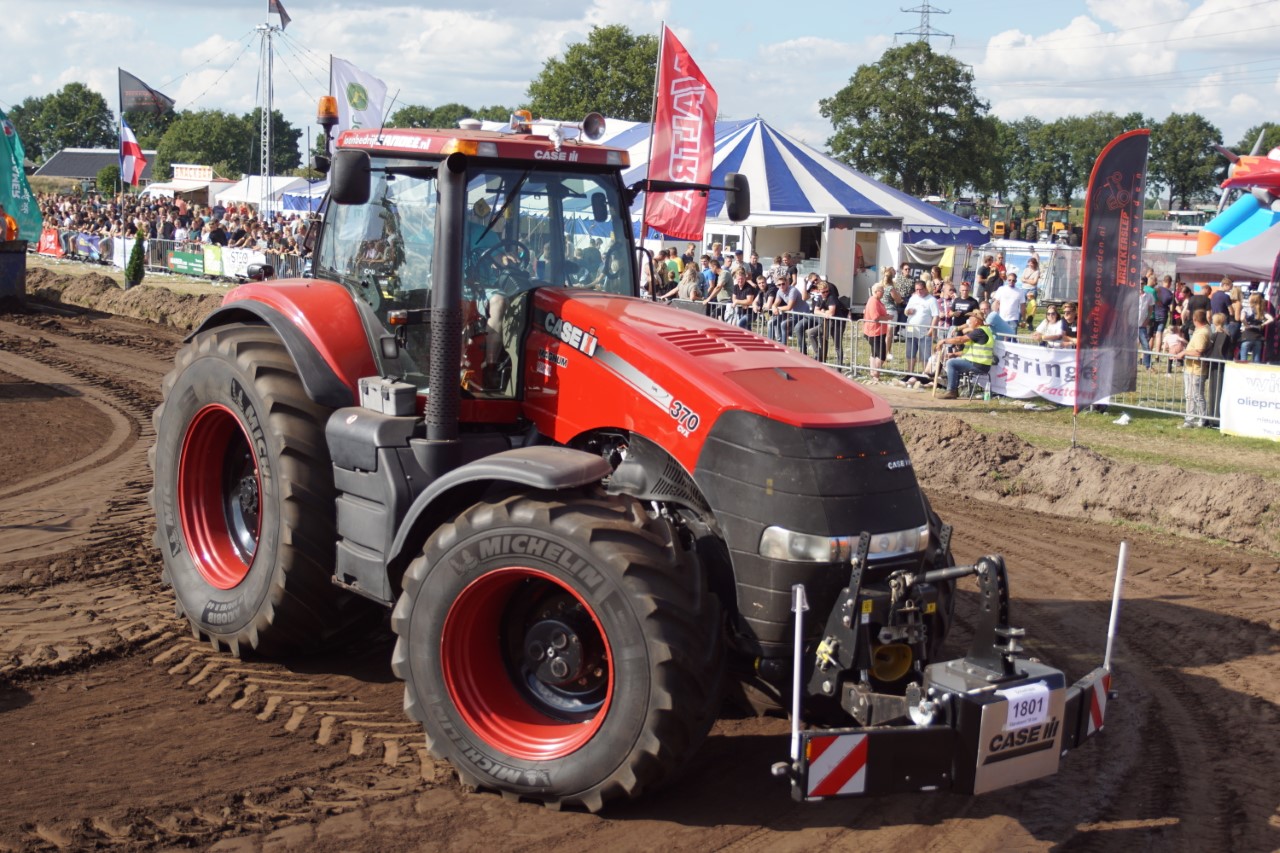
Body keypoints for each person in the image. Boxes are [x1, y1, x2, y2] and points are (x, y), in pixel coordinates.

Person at [934, 311, 995, 399]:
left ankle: (951, 391)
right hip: (979, 364)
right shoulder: (982, 331)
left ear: (976, 321)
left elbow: (961, 339)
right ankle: (953, 390)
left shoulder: (979, 331)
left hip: (978, 365)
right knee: (953, 361)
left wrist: (944, 341)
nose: (968, 322)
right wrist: (954, 354)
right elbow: (967, 352)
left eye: (970, 319)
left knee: (951, 363)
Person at [1179, 309, 1210, 428]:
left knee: (1197, 395)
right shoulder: (1201, 330)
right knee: (1190, 395)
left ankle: (1202, 420)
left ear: (1195, 319)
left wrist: (1184, 352)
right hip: (1190, 368)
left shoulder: (1202, 332)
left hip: (1196, 369)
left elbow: (1199, 351)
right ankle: (1190, 419)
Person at [903, 278, 940, 374]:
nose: (918, 292)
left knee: (925, 354)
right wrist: (908, 311)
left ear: (925, 288)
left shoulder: (932, 300)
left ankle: (925, 374)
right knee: (910, 352)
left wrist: (931, 329)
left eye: (920, 289)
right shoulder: (913, 298)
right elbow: (905, 311)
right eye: (916, 290)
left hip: (924, 332)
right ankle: (910, 373)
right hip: (911, 329)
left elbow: (936, 316)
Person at [806, 277, 847, 361]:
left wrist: (823, 311)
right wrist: (824, 313)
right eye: (823, 292)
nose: (825, 293)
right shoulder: (820, 298)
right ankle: (819, 355)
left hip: (837, 324)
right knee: (811, 333)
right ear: (819, 291)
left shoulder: (831, 297)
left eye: (827, 291)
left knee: (837, 345)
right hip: (826, 323)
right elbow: (815, 311)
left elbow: (831, 312)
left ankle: (839, 365)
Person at [863, 283, 891, 382]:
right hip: (874, 331)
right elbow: (875, 318)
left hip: (877, 331)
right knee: (881, 355)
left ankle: (873, 373)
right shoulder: (873, 301)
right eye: (882, 291)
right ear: (876, 291)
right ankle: (875, 373)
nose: (883, 293)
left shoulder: (876, 301)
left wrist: (886, 316)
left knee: (875, 353)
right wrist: (887, 317)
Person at [1239, 292, 1274, 363]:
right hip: (1258, 337)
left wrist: (1246, 325)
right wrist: (1262, 324)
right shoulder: (1261, 311)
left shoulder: (1246, 309)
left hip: (1247, 335)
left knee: (1243, 358)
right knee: (1256, 359)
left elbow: (1242, 318)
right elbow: (1271, 319)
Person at [992, 272, 1025, 338]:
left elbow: (1022, 306)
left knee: (1012, 339)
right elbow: (996, 303)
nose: (1011, 282)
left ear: (1016, 281)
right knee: (999, 338)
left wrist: (1024, 319)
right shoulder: (1001, 289)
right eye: (1009, 280)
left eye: (1013, 280)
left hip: (1013, 319)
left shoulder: (1020, 292)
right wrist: (994, 315)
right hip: (1001, 318)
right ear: (1007, 280)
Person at [1138, 282, 1155, 370]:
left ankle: (1148, 366)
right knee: (1129, 347)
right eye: (1139, 283)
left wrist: (1147, 320)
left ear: (1144, 284)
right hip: (1131, 325)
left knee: (1146, 346)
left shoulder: (1149, 296)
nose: (1140, 285)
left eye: (1142, 283)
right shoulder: (1132, 294)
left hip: (1142, 325)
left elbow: (1151, 309)